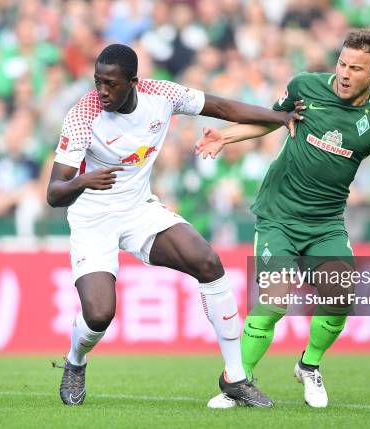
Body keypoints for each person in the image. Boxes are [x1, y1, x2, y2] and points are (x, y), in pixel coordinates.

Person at [196, 30, 370, 409]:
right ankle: (237, 383)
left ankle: (308, 365)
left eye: (356, 68)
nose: (346, 74)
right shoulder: (305, 86)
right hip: (278, 217)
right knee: (274, 300)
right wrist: (226, 136)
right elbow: (272, 120)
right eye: (342, 64)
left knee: (340, 297)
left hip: (326, 224)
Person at [46, 44, 303, 407]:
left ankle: (236, 377)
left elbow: (223, 107)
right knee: (100, 314)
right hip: (92, 217)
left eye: (111, 84)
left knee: (209, 263)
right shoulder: (83, 115)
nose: (101, 91)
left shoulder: (162, 95)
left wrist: (277, 117)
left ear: (133, 83)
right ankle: (75, 361)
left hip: (139, 210)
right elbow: (54, 193)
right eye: (98, 81)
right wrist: (82, 182)